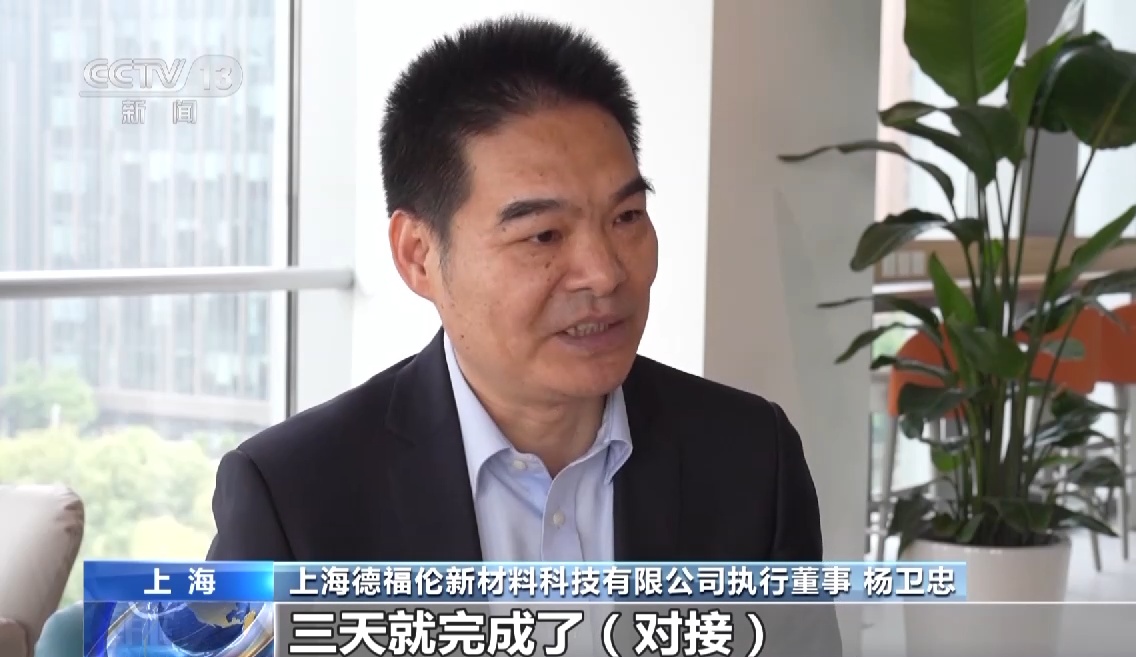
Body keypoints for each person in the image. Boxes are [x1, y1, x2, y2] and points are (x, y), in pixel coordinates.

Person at [208, 15, 840, 654]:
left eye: (626, 217)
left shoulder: (750, 459)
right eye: (543, 234)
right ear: (419, 255)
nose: (604, 273)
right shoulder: (293, 497)